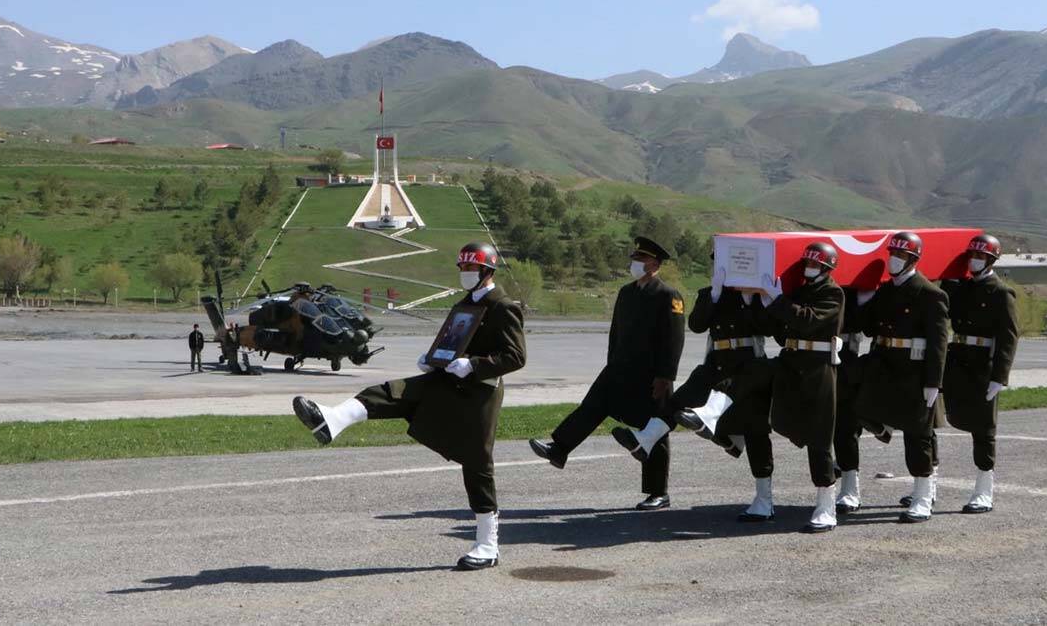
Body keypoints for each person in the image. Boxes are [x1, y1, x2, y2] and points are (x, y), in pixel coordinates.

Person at [292, 242, 526, 571]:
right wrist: (434, 358)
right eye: (461, 268)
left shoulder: (503, 306)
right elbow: (451, 340)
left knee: (477, 464)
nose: (464, 274)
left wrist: (474, 365)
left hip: (481, 393)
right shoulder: (464, 304)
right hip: (449, 379)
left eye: (470, 269)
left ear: (487, 272)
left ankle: (487, 544)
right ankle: (334, 419)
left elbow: (516, 357)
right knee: (396, 391)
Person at [530, 236, 685, 511]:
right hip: (619, 369)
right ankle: (559, 448)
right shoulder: (626, 293)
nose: (634, 263)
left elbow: (674, 340)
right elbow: (616, 333)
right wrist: (611, 362)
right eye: (633, 258)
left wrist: (665, 376)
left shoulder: (668, 296)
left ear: (654, 264)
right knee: (591, 406)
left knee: (653, 430)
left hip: (652, 376)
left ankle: (658, 493)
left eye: (640, 259)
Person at [625, 259, 776, 521]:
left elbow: (770, 329)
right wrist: (715, 295)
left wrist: (758, 300)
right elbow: (696, 324)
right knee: (678, 400)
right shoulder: (711, 293)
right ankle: (645, 441)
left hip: (748, 365)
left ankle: (764, 500)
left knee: (755, 431)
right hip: (715, 364)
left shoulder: (754, 295)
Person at [855, 231, 950, 523]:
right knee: (856, 402)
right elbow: (869, 327)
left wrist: (933, 382)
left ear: (913, 260)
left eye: (902, 256)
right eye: (892, 254)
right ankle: (883, 428)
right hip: (885, 367)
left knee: (918, 435)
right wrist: (864, 300)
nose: (894, 260)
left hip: (913, 372)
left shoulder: (930, 293)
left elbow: (938, 343)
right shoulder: (887, 290)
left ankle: (922, 497)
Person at [762, 242, 845, 533]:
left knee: (820, 437)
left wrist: (777, 302)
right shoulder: (800, 291)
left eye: (815, 264)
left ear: (826, 267)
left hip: (818, 369)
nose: (809, 268)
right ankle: (831, 470)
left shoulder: (833, 294)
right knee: (783, 421)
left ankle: (827, 507)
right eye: (808, 263)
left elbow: (806, 321)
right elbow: (783, 330)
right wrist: (771, 306)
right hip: (793, 364)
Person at [940, 234, 1019, 514]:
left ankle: (984, 490)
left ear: (992, 260)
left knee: (984, 430)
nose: (975, 261)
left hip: (981, 365)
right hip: (956, 360)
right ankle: (928, 482)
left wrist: (1000, 376)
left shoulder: (1001, 293)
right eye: (973, 256)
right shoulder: (960, 287)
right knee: (933, 418)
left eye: (982, 257)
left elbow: (1008, 337)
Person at [833, 287, 866, 514]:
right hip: (813, 358)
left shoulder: (854, 288)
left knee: (845, 427)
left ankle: (850, 489)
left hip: (846, 359)